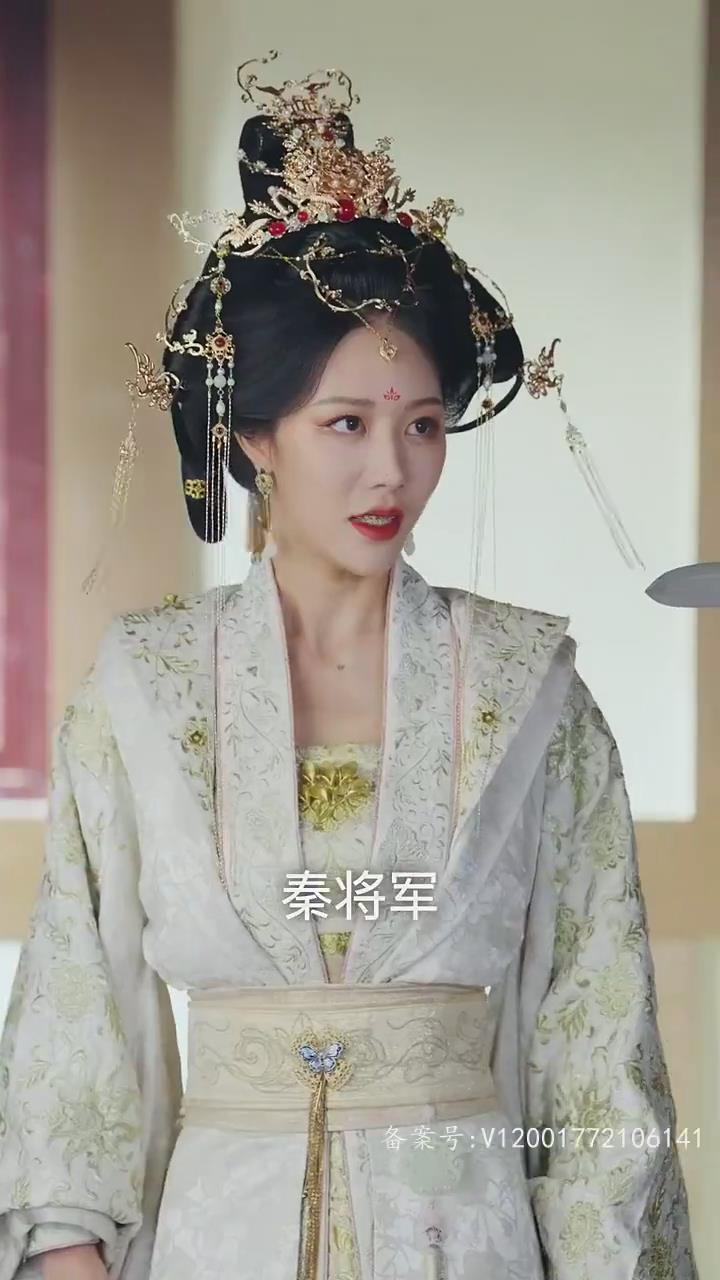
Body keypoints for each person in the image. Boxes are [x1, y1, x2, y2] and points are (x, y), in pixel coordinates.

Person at [0, 53, 698, 1280]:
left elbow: (599, 1044)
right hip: (220, 1238)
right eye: (347, 424)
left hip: (465, 1238)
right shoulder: (147, 691)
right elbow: (75, 1010)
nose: (393, 470)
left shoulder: (530, 694)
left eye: (422, 424)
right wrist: (68, 1250)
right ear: (254, 435)